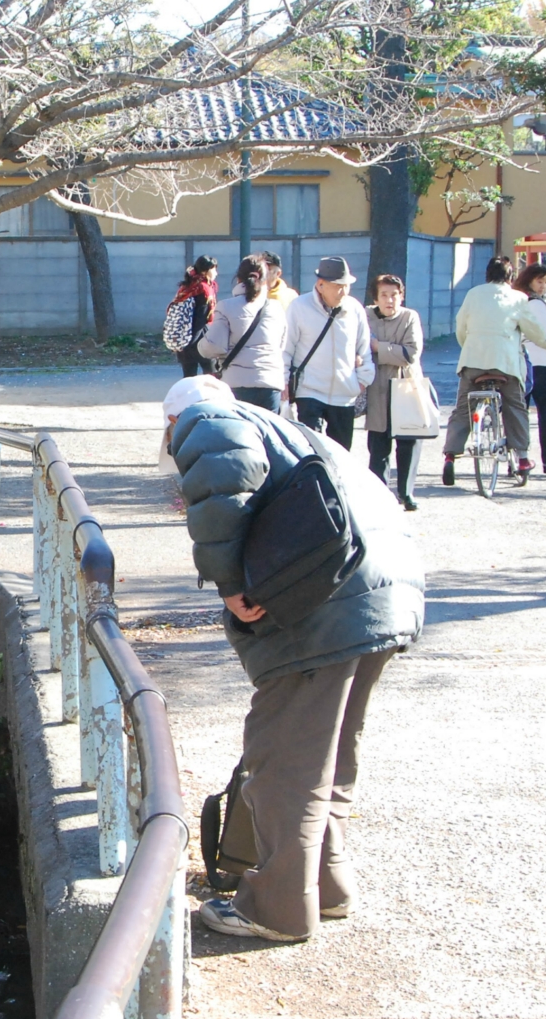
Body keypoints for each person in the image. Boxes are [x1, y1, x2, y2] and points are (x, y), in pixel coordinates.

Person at [163, 376, 426, 942]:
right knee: (328, 749)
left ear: (171, 421)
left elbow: (225, 481)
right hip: (386, 593)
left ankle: (278, 908)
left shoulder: (207, 421)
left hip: (325, 607)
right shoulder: (295, 430)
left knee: (283, 755)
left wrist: (231, 582)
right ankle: (326, 885)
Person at [441, 257, 546, 484]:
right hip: (505, 365)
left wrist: (470, 346)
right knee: (515, 406)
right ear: (510, 277)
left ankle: (449, 456)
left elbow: (461, 327)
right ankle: (523, 458)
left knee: (463, 409)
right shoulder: (518, 298)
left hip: (473, 361)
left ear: (487, 275)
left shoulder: (473, 294)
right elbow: (535, 331)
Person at [283, 256, 373, 448]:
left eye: (346, 286)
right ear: (321, 284)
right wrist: (283, 380)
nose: (343, 291)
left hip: (344, 393)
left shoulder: (355, 308)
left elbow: (364, 348)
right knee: (311, 450)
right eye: (338, 286)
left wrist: (363, 381)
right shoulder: (299, 307)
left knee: (341, 454)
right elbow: (285, 348)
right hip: (309, 391)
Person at [361, 273, 422, 511]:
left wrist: (378, 347)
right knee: (378, 445)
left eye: (394, 295)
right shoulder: (365, 316)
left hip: (405, 385)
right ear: (375, 298)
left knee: (408, 441)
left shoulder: (409, 317)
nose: (389, 300)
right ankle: (379, 494)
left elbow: (411, 354)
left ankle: (406, 493)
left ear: (401, 296)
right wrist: (390, 350)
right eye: (384, 295)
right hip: (376, 387)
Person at [198, 254, 289, 411]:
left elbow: (214, 347)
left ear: (238, 279)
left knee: (240, 433)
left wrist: (200, 345)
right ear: (265, 280)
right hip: (270, 383)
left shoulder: (226, 307)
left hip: (237, 383)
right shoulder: (276, 308)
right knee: (267, 433)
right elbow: (282, 344)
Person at [514, 261, 546, 474]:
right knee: (545, 413)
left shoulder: (516, 301)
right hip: (542, 362)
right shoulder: (536, 304)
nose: (543, 286)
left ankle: (518, 458)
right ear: (530, 280)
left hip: (520, 362)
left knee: (518, 413)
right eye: (540, 281)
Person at [168, 256, 220, 377]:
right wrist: (194, 343)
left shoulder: (186, 286)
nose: (216, 273)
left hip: (184, 339)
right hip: (201, 339)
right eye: (214, 269)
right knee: (212, 378)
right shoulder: (204, 289)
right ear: (204, 271)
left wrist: (184, 345)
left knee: (188, 380)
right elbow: (200, 319)